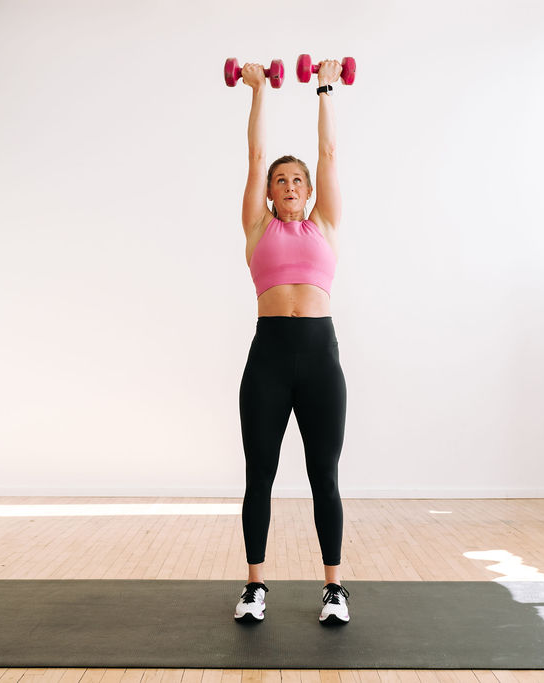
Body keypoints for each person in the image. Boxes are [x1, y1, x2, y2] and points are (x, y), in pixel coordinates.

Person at [232, 59, 350, 626]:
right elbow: (256, 155)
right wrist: (258, 91)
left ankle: (333, 588)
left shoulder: (325, 224)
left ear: (309, 191)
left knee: (323, 475)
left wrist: (323, 87)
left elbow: (328, 153)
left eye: (296, 180)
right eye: (281, 180)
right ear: (271, 193)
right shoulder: (259, 228)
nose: (288, 185)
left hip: (321, 359)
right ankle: (255, 585)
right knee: (261, 474)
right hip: (269, 360)